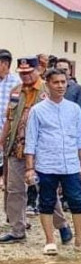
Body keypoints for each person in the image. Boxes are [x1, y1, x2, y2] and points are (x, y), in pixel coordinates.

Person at [24, 68, 81, 255]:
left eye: (63, 82)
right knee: (46, 202)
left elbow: (80, 137)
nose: (60, 86)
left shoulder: (73, 109)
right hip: (47, 164)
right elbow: (31, 140)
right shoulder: (37, 111)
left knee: (78, 201)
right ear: (47, 85)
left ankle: (79, 240)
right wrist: (30, 167)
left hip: (71, 164)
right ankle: (50, 241)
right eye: (56, 82)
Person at [1, 57, 71, 245]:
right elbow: (9, 118)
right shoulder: (16, 91)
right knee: (14, 190)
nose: (25, 76)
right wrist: (2, 141)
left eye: (29, 72)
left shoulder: (48, 90)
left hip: (41, 150)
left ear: (38, 71)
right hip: (16, 148)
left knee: (46, 189)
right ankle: (17, 230)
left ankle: (62, 226)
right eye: (22, 73)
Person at [0, 49, 21, 190]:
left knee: (5, 156)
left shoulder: (16, 82)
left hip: (7, 126)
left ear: (5, 64)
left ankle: (4, 179)